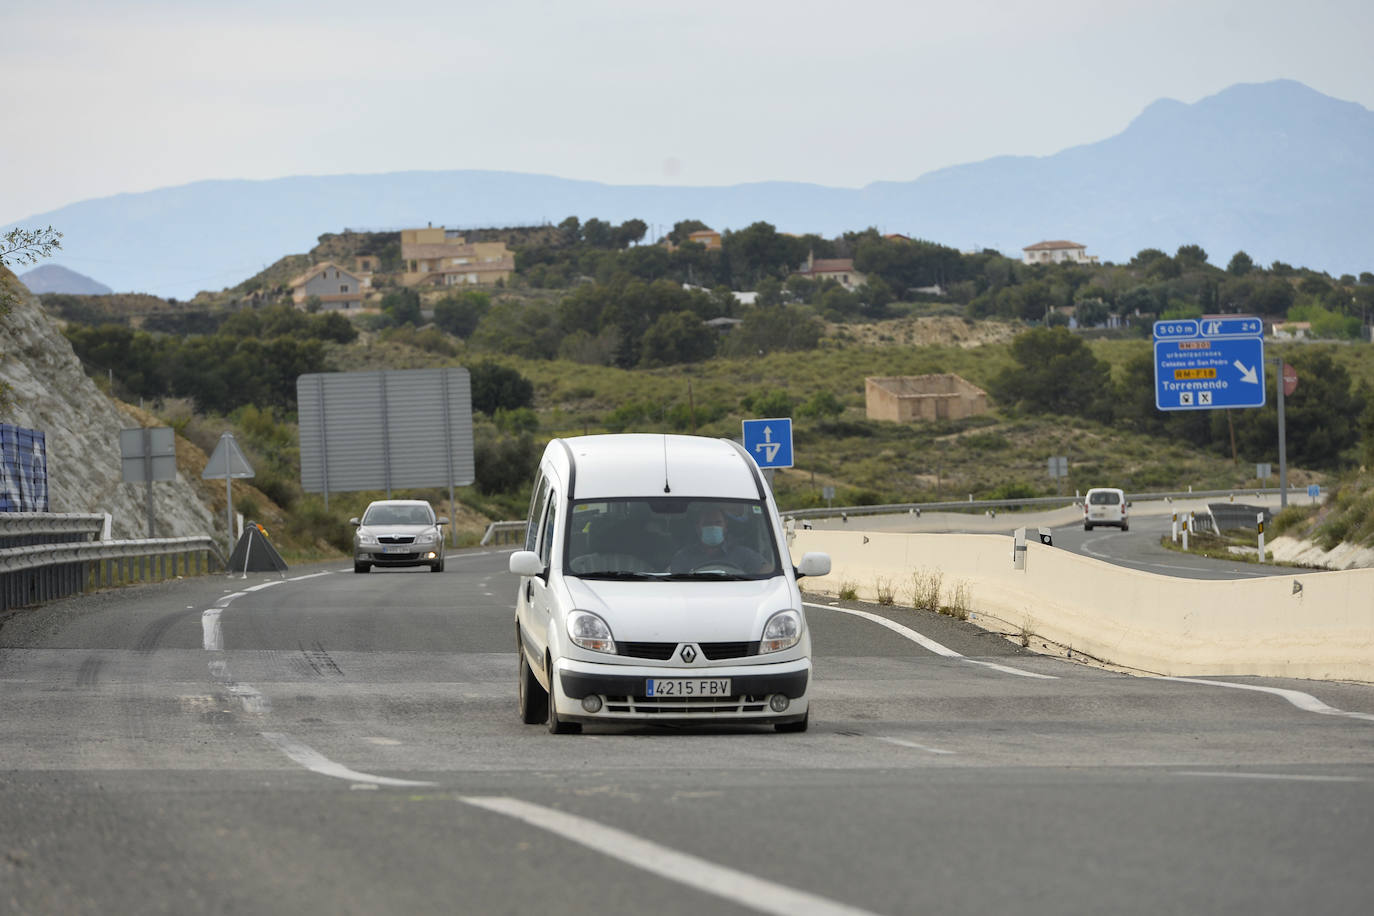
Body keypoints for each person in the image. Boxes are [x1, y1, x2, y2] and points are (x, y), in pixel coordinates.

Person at [669, 506, 769, 574]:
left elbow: (768, 573)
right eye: (707, 523)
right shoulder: (683, 557)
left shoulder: (743, 554)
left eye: (718, 523)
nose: (713, 527)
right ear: (697, 528)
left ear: (725, 527)